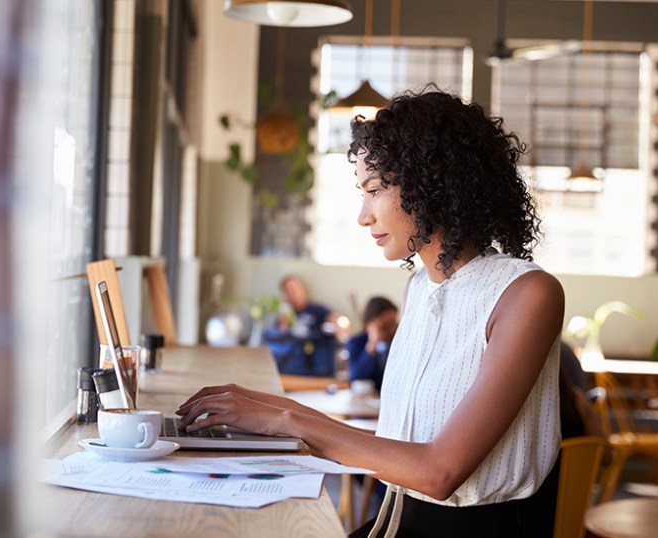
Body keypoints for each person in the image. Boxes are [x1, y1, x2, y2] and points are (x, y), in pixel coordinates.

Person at [177, 87, 564, 538]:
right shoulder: (419, 287)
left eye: (375, 189)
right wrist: (263, 405)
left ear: (434, 184)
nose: (364, 215)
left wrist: (288, 419)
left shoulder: (528, 294)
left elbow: (438, 472)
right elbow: (395, 448)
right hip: (396, 525)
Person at [262, 274, 343, 376]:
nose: (292, 294)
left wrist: (336, 323)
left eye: (294, 289)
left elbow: (338, 325)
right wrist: (283, 325)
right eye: (287, 291)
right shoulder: (285, 315)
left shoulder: (318, 310)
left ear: (303, 289)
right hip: (292, 369)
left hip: (319, 367)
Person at [345, 296, 399, 392]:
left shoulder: (399, 342)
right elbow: (356, 377)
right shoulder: (356, 342)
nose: (393, 329)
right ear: (370, 325)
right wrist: (373, 344)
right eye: (386, 326)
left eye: (394, 323)